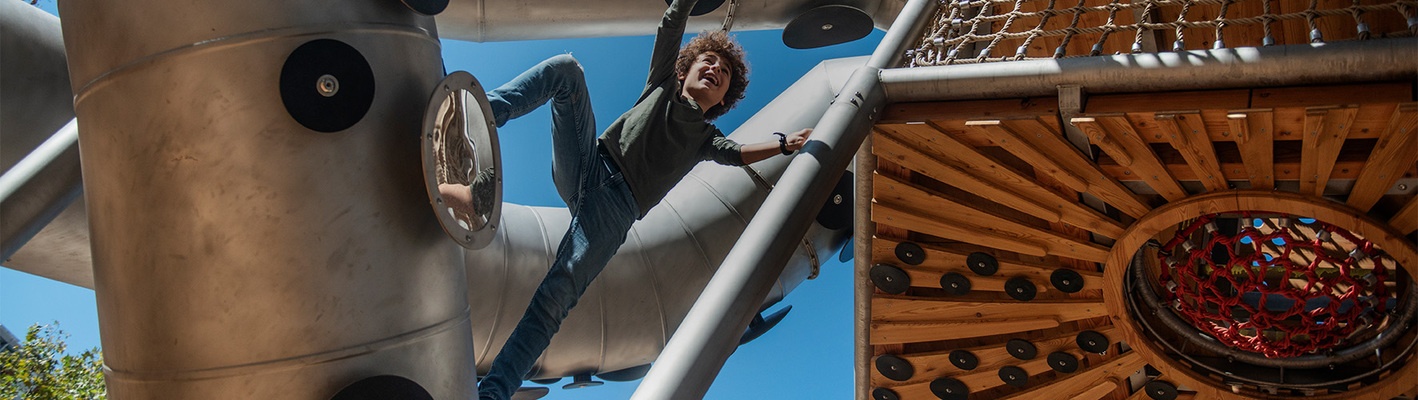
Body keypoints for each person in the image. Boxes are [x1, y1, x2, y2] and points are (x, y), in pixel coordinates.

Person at [440, 0, 811, 398]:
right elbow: (670, 27)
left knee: (554, 301)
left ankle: (493, 393)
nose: (716, 71)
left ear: (723, 100)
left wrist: (782, 145)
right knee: (566, 71)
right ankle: (473, 122)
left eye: (723, 74)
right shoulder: (663, 85)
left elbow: (737, 154)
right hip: (590, 163)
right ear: (684, 70)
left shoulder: (706, 139)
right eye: (709, 62)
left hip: (615, 213)